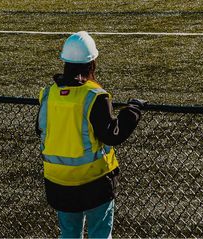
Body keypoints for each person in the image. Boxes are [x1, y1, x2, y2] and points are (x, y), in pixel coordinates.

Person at [38, 31, 144, 239]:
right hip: (95, 183)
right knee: (99, 234)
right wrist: (133, 110)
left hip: (58, 182)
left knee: (69, 234)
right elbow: (112, 135)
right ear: (92, 63)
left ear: (65, 62)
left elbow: (41, 129)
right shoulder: (94, 96)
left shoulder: (49, 94)